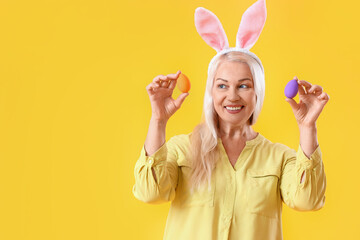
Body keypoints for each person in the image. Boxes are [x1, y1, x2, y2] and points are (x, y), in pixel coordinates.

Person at [132, 1, 329, 239]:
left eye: (244, 85)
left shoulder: (280, 158)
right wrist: (158, 119)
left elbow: (308, 200)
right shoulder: (181, 149)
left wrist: (308, 127)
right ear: (211, 92)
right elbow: (149, 193)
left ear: (258, 93)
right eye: (222, 85)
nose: (232, 96)